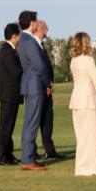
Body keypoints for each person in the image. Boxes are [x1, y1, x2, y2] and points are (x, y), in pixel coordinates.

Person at [18, 10, 51, 171]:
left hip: (30, 84)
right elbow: (40, 66)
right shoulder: (29, 41)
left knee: (29, 122)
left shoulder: (23, 39)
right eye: (35, 21)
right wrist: (48, 83)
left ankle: (28, 157)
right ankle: (28, 159)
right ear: (31, 22)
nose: (37, 23)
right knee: (31, 123)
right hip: (35, 85)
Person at [69, 32, 96, 176]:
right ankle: (91, 166)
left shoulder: (73, 61)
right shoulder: (87, 60)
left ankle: (82, 166)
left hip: (77, 100)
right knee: (91, 136)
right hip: (88, 100)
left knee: (81, 136)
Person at [0, 23, 22, 166]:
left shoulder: (9, 50)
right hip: (9, 94)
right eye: (20, 35)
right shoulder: (8, 51)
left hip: (11, 94)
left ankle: (8, 154)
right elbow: (16, 72)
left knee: (9, 127)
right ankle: (0, 157)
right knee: (5, 127)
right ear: (14, 36)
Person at [34, 19, 60, 160]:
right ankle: (32, 150)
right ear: (41, 29)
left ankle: (50, 150)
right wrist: (46, 86)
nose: (47, 31)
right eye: (46, 28)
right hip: (39, 89)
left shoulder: (41, 45)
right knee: (35, 120)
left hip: (47, 89)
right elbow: (39, 69)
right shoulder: (34, 46)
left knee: (48, 120)